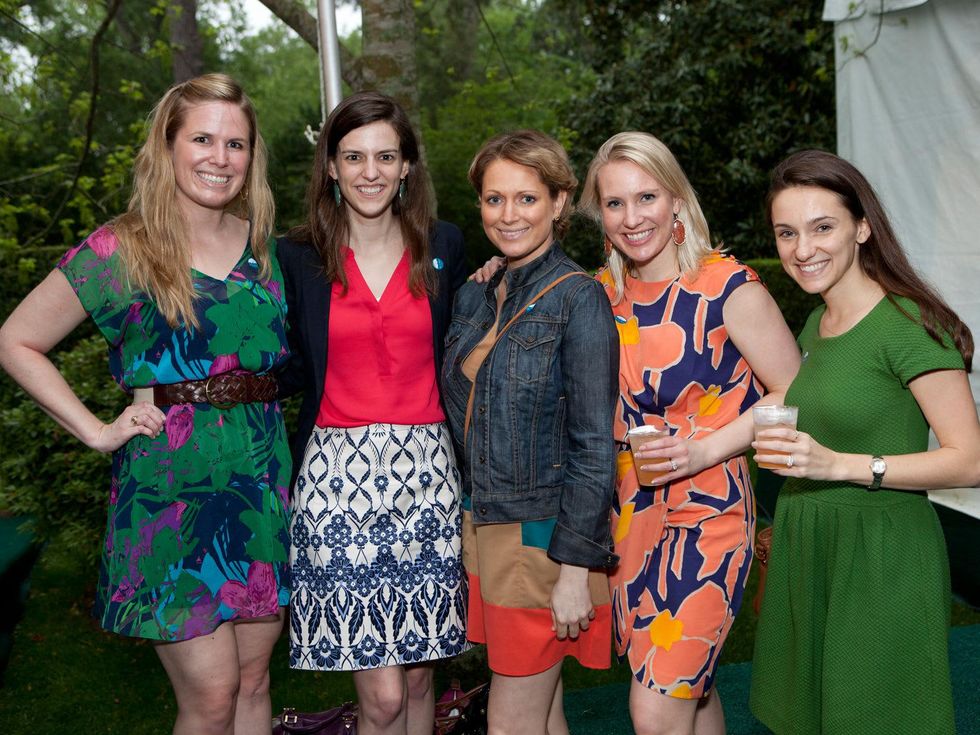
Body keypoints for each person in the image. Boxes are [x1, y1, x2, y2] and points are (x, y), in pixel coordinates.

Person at [0, 74, 290, 734]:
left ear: (252, 157)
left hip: (257, 485)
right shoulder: (121, 246)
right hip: (171, 493)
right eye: (203, 138)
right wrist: (96, 429)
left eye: (236, 143)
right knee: (212, 694)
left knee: (253, 680)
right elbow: (15, 340)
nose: (220, 156)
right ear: (168, 145)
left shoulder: (266, 248)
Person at [748, 149, 980, 735]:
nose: (803, 250)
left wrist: (840, 465)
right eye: (786, 233)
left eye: (822, 227)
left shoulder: (909, 324)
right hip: (809, 542)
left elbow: (970, 460)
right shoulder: (815, 325)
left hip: (881, 554)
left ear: (863, 227)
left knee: (875, 715)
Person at [578, 132, 801, 735]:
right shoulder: (601, 296)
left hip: (711, 511)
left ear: (677, 200)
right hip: (630, 516)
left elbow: (795, 391)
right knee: (687, 690)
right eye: (615, 203)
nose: (632, 217)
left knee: (655, 710)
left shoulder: (729, 288)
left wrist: (705, 447)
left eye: (646, 196)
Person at [275, 91, 468, 735]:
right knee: (382, 696)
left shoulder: (444, 245)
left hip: (431, 479)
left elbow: (467, 349)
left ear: (408, 165)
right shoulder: (297, 257)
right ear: (330, 166)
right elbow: (274, 356)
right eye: (353, 156)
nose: (370, 171)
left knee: (420, 680)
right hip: (337, 485)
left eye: (386, 156)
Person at [440, 129, 620, 735]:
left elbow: (596, 443)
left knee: (511, 721)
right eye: (494, 200)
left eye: (526, 198)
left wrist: (575, 566)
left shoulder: (579, 299)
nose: (508, 215)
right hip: (488, 523)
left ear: (560, 202)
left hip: (543, 537)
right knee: (544, 713)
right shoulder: (480, 293)